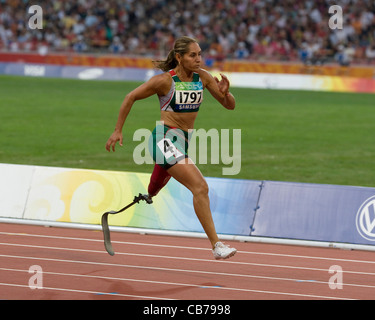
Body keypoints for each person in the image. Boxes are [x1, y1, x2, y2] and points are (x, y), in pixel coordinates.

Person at [105, 36, 237, 260]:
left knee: (157, 184)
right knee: (200, 187)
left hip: (182, 141)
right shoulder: (165, 81)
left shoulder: (202, 78)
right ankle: (216, 245)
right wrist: (118, 130)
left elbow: (229, 106)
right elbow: (130, 97)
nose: (198, 59)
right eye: (192, 55)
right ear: (179, 57)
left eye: (199, 54)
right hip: (164, 139)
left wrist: (225, 93)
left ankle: (149, 193)